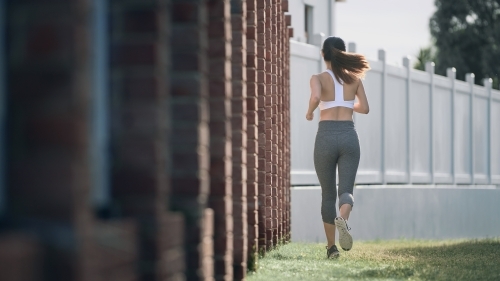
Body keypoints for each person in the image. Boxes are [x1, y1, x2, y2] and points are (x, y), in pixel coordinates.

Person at [305, 36, 370, 259]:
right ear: (343, 54)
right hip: (349, 135)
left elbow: (315, 97)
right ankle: (343, 219)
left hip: (325, 136)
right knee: (346, 191)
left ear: (324, 55)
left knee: (328, 194)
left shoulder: (318, 78)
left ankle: (332, 248)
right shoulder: (355, 79)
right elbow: (366, 108)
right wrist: (348, 103)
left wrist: (310, 111)